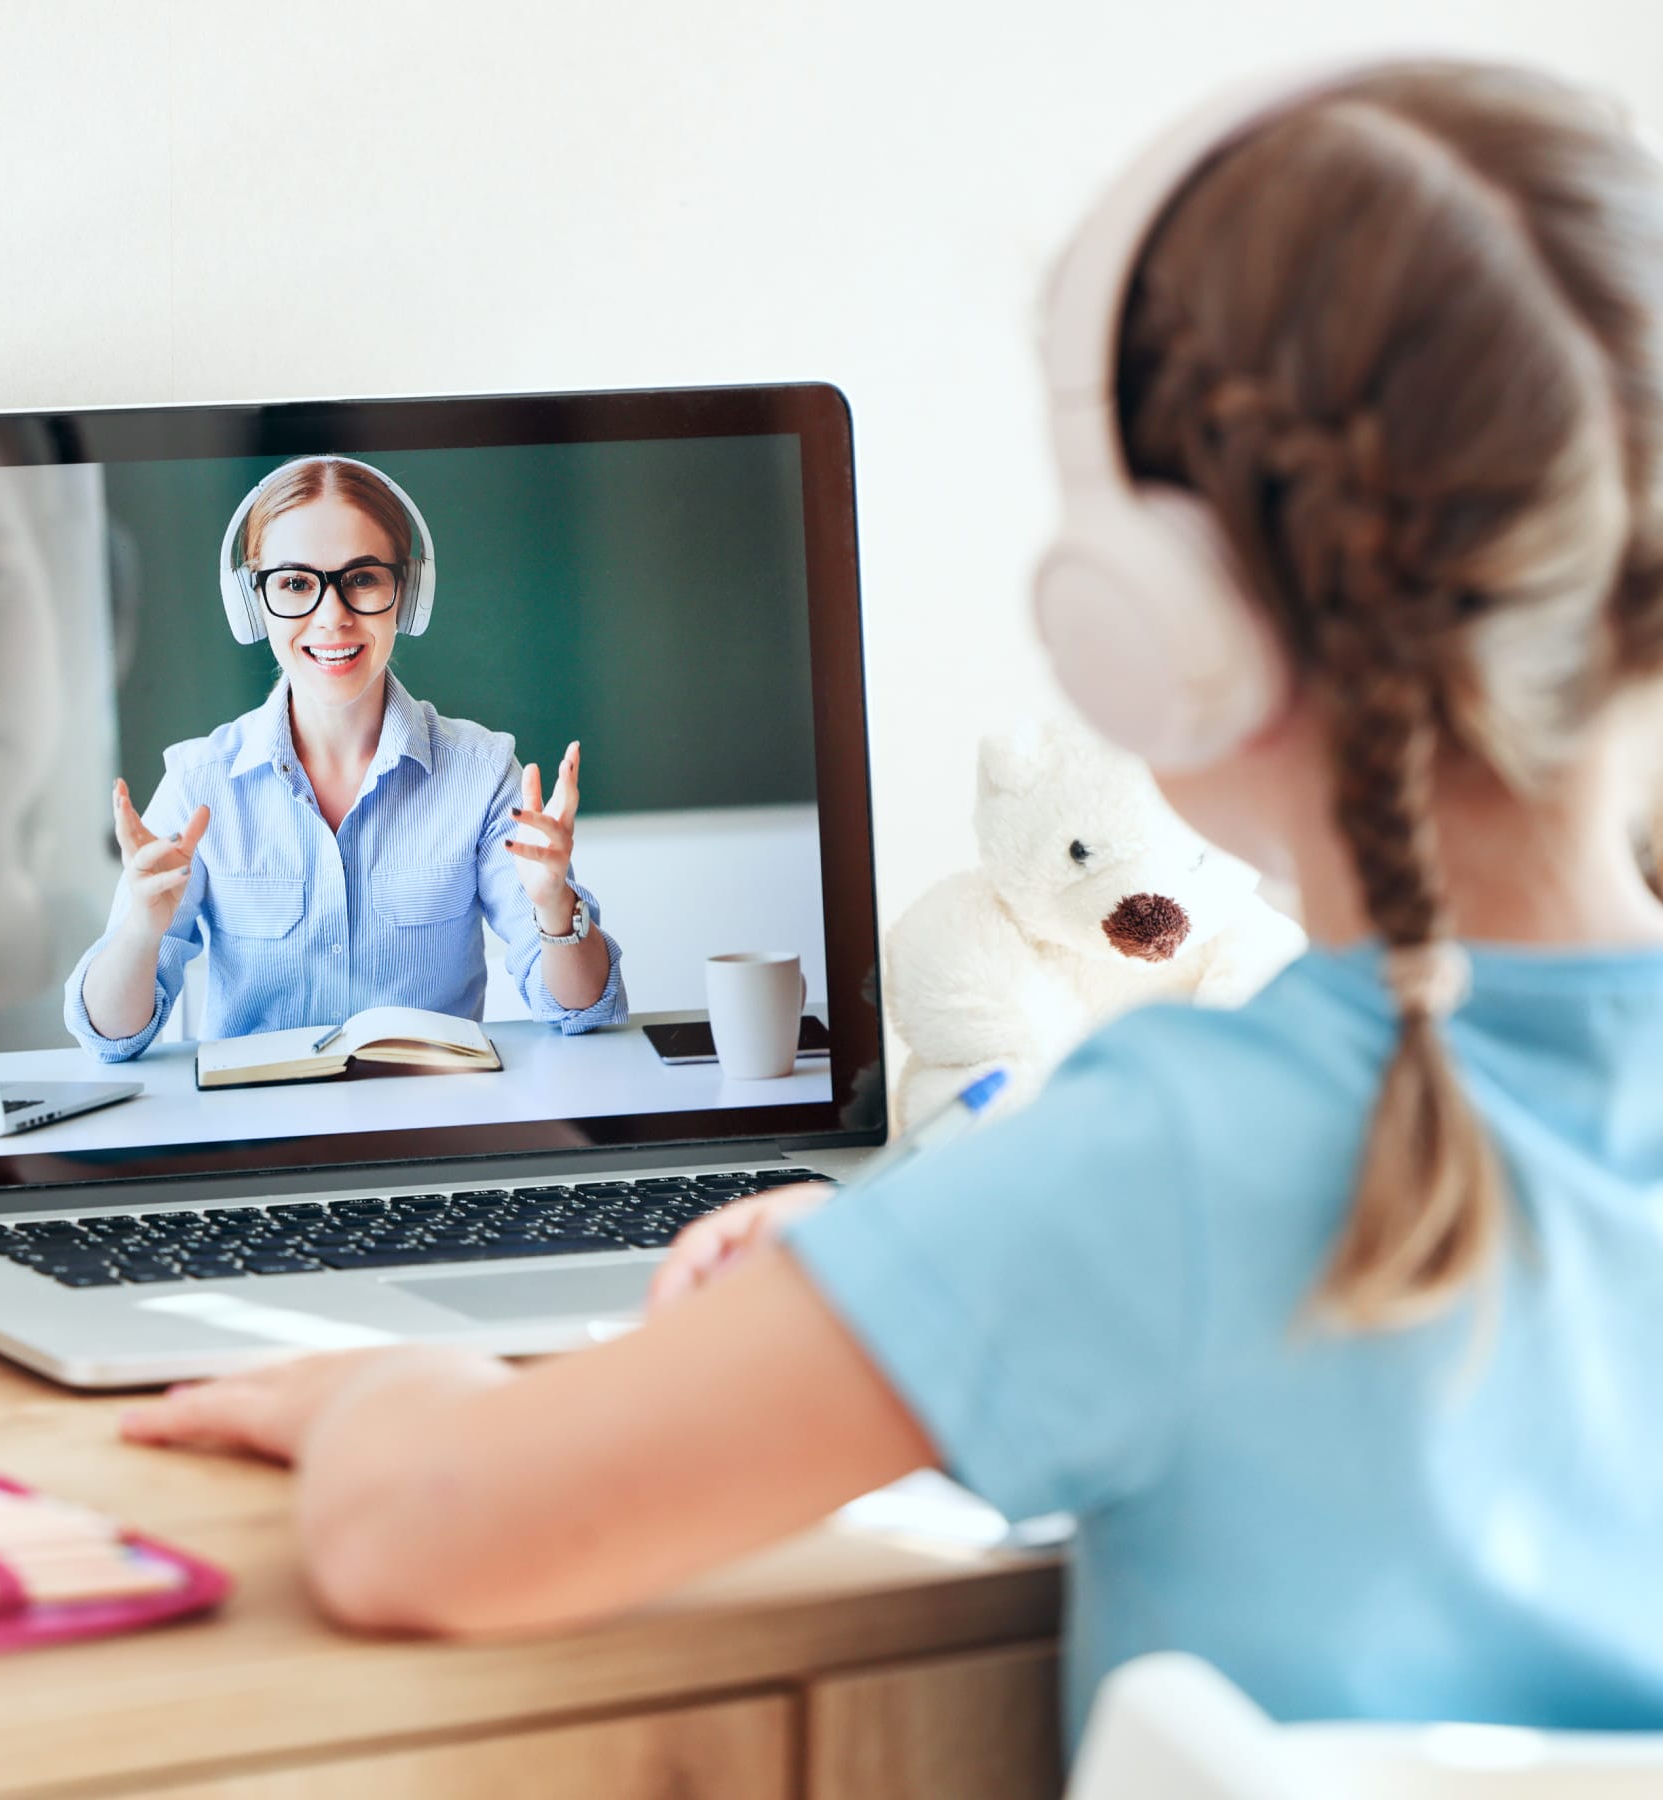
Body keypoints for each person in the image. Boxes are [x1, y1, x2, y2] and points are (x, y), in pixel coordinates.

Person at [119, 56, 1663, 1752]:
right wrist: (910, 1270)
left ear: (1158, 618)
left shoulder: (1172, 1166)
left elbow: (419, 1532)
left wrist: (378, 1386)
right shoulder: (1153, 1172)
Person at [65, 455, 624, 1057]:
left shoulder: (483, 775)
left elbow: (581, 1009)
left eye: (362, 578)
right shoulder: (199, 784)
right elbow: (110, 1040)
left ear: (406, 593)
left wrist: (553, 905)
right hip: (258, 1139)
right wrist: (140, 933)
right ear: (253, 603)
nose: (332, 616)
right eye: (296, 584)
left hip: (434, 1132)